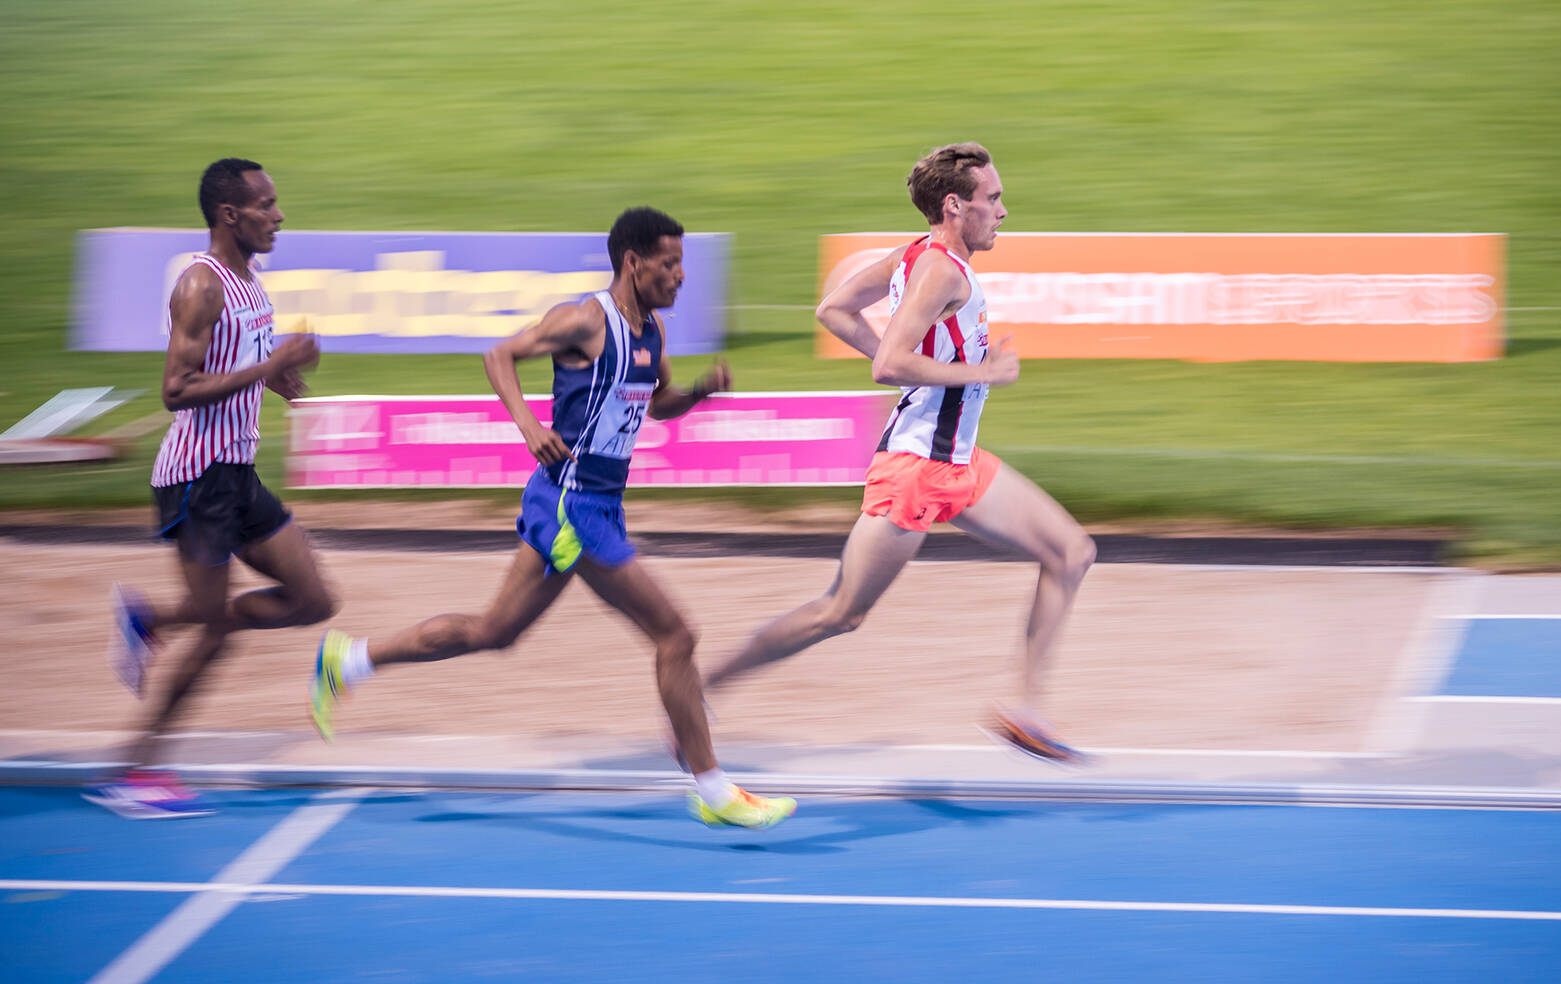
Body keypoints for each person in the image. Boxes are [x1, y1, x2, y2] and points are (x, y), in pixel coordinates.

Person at [307, 207, 796, 830]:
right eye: (669, 264)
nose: (680, 276)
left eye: (682, 264)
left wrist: (698, 391)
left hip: (597, 504)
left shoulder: (652, 332)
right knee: (676, 635)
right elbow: (499, 355)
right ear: (634, 263)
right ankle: (713, 789)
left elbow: (657, 404)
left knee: (495, 631)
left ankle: (348, 660)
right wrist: (529, 426)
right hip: (571, 505)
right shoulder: (586, 321)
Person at [702, 143, 1098, 761]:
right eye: (992, 199)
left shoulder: (913, 255)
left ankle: (1024, 711)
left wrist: (929, 370)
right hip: (915, 470)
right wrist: (981, 373)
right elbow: (888, 363)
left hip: (957, 463)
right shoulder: (940, 270)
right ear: (955, 205)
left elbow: (833, 310)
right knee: (840, 612)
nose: (1002, 211)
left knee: (1071, 551)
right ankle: (701, 690)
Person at [88, 158, 335, 819]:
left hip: (237, 473)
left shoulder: (251, 282)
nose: (278, 216)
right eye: (266, 205)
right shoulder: (201, 284)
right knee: (215, 628)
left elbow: (239, 361)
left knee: (313, 599)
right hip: (197, 477)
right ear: (230, 214)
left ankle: (151, 620)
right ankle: (135, 771)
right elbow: (177, 390)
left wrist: (276, 378)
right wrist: (270, 363)